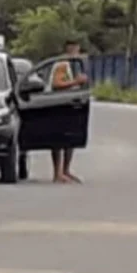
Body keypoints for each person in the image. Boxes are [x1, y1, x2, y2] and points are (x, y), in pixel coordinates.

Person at [49, 38, 89, 184]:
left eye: (77, 48)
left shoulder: (75, 64)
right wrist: (76, 82)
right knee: (58, 140)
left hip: (70, 103)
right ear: (68, 49)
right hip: (58, 103)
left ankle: (65, 171)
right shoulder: (62, 64)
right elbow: (56, 83)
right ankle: (57, 173)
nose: (76, 51)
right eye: (74, 48)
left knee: (70, 139)